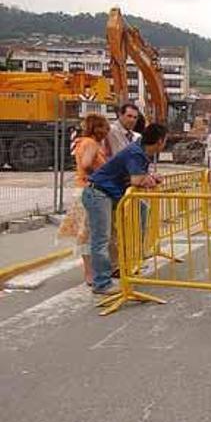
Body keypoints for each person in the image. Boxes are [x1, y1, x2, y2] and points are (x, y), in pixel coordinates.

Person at [83, 124, 167, 295]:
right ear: (159, 141)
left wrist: (149, 178)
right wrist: (147, 179)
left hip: (112, 194)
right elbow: (137, 180)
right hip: (99, 194)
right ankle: (101, 283)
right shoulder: (135, 152)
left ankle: (121, 264)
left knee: (137, 214)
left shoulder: (141, 152)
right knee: (101, 239)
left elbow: (138, 178)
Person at [58, 114, 110, 286]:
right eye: (103, 127)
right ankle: (90, 273)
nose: (106, 131)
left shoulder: (85, 143)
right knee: (88, 234)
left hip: (84, 190)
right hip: (88, 191)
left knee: (88, 233)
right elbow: (87, 164)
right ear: (96, 128)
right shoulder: (90, 144)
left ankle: (91, 272)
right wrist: (99, 178)